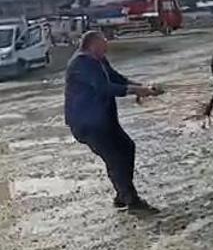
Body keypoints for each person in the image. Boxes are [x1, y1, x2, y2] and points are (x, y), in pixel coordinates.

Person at [64, 31, 162, 213]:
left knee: (127, 147)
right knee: (114, 158)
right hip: (87, 123)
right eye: (104, 44)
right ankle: (132, 202)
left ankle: (122, 193)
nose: (107, 47)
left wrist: (143, 88)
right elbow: (104, 88)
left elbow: (117, 79)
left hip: (104, 119)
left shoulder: (99, 60)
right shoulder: (82, 63)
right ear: (92, 45)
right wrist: (137, 91)